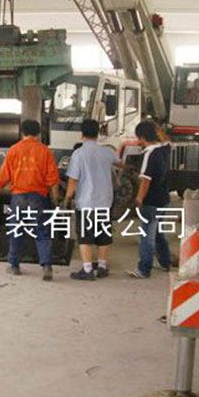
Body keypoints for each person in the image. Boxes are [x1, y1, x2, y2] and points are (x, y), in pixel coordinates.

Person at [0, 119, 60, 280]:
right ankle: (46, 265)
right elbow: (53, 178)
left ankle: (14, 265)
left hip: (19, 197)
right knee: (42, 231)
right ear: (39, 133)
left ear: (21, 132)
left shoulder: (14, 150)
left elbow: (3, 175)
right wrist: (55, 198)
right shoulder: (45, 151)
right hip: (39, 197)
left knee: (16, 230)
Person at [64, 119, 120, 281]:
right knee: (103, 235)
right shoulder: (107, 152)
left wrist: (67, 198)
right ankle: (102, 267)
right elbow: (120, 163)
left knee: (85, 236)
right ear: (98, 133)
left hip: (86, 202)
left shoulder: (79, 154)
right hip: (105, 201)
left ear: (81, 134)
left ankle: (87, 269)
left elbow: (73, 180)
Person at [127, 121, 172, 278]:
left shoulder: (149, 154)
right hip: (164, 199)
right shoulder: (164, 149)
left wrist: (138, 200)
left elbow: (146, 181)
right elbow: (167, 140)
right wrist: (156, 128)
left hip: (151, 201)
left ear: (142, 137)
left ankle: (144, 269)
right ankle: (165, 262)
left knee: (146, 236)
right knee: (158, 232)